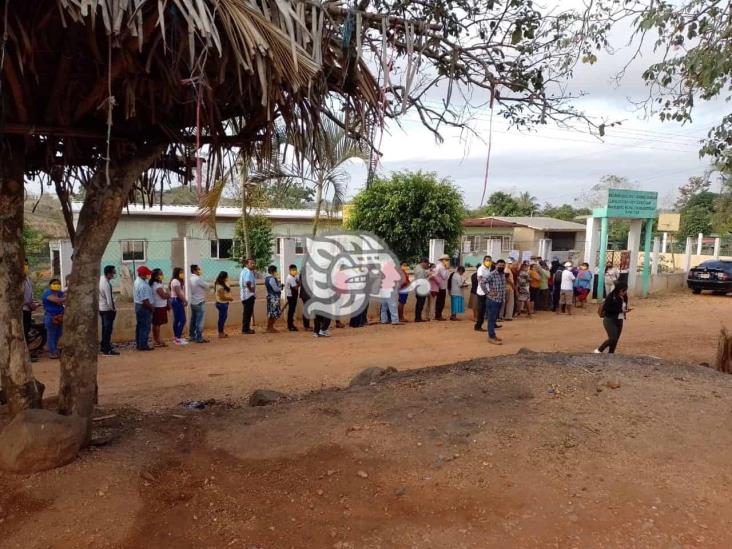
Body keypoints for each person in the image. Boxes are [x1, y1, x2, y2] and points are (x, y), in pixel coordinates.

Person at [595, 281, 630, 354]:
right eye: (624, 290)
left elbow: (623, 306)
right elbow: (607, 309)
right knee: (613, 338)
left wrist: (625, 310)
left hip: (620, 320)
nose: (625, 292)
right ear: (620, 290)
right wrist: (621, 310)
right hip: (610, 320)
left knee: (616, 339)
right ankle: (599, 350)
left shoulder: (624, 297)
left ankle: (611, 354)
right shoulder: (611, 296)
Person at [481, 260, 506, 345]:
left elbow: (502, 287)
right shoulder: (492, 274)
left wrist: (503, 299)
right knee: (491, 319)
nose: (501, 267)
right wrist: (488, 292)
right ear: (496, 265)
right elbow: (482, 282)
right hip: (492, 300)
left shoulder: (502, 274)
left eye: (503, 265)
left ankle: (493, 335)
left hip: (499, 300)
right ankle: (491, 337)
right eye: (500, 265)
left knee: (494, 319)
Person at [99, 265, 119, 355]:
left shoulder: (101, 279)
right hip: (107, 309)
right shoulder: (106, 284)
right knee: (108, 330)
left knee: (104, 328)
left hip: (101, 308)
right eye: (113, 273)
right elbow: (109, 300)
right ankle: (106, 349)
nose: (113, 275)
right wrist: (113, 309)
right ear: (109, 273)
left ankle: (104, 345)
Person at [42, 278, 65, 359]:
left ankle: (56, 351)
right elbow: (55, 300)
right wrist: (63, 299)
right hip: (50, 316)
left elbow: (63, 299)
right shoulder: (47, 293)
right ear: (50, 285)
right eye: (55, 283)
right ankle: (52, 352)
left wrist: (62, 300)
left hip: (60, 316)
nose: (57, 285)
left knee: (59, 334)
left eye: (58, 283)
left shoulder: (60, 293)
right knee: (51, 334)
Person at [133, 266, 155, 351]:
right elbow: (145, 300)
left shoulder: (137, 281)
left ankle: (139, 344)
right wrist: (151, 308)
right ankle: (143, 345)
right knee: (145, 326)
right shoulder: (142, 285)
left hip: (138, 305)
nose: (148, 275)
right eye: (146, 274)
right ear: (142, 274)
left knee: (140, 326)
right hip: (144, 307)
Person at [188, 265, 209, 343]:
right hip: (200, 302)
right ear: (194, 270)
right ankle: (199, 337)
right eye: (198, 269)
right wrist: (205, 285)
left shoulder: (191, 278)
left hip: (193, 302)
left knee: (193, 320)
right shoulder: (197, 279)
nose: (200, 270)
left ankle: (192, 335)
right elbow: (207, 286)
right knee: (199, 321)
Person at [150, 269, 170, 347]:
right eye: (160, 274)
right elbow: (164, 296)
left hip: (159, 306)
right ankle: (157, 340)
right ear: (155, 276)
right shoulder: (157, 285)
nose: (162, 275)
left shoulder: (156, 284)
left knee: (156, 324)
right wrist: (169, 294)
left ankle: (156, 339)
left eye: (162, 273)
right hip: (159, 307)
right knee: (157, 324)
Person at [169, 267, 188, 345]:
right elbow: (178, 293)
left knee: (177, 319)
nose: (182, 274)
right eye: (181, 272)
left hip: (175, 300)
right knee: (182, 320)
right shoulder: (176, 281)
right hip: (177, 301)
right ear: (177, 273)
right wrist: (184, 300)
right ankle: (178, 338)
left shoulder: (177, 281)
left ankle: (176, 338)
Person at [474, 255, 492, 331]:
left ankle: (481, 324)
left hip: (487, 291)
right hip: (482, 292)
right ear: (484, 261)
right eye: (487, 260)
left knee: (485, 309)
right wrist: (486, 292)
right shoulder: (481, 269)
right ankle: (478, 326)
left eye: (489, 260)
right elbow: (480, 280)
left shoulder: (488, 269)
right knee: (481, 310)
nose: (488, 262)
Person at [214, 271, 234, 338]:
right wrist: (229, 298)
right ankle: (220, 333)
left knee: (223, 317)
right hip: (221, 303)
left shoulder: (222, 283)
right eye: (226, 276)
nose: (227, 277)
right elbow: (222, 297)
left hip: (223, 303)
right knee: (222, 318)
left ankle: (221, 332)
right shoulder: (219, 285)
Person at [239, 258, 256, 334]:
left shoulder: (244, 271)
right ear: (246, 264)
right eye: (251, 263)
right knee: (248, 312)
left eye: (253, 263)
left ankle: (246, 328)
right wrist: (251, 289)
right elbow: (247, 282)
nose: (253, 265)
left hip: (245, 295)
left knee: (247, 312)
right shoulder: (248, 272)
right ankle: (246, 329)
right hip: (248, 295)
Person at [432, 254, 451, 321]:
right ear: (442, 260)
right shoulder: (441, 267)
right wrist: (447, 268)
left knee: (440, 302)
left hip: (441, 286)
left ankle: (438, 315)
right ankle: (438, 316)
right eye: (446, 260)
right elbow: (444, 276)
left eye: (448, 260)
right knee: (440, 302)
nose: (448, 261)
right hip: (441, 287)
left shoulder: (440, 266)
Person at [264, 265, 282, 333]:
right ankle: (270, 327)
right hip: (273, 298)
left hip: (270, 296)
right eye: (275, 271)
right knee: (273, 313)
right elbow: (276, 289)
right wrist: (281, 287)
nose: (276, 272)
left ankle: (269, 327)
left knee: (271, 313)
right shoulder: (272, 279)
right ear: (273, 271)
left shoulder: (267, 278)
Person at [413, 258, 430, 322]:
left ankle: (418, 317)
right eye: (427, 264)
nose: (427, 265)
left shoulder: (418, 267)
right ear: (423, 262)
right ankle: (418, 318)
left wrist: (427, 274)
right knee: (420, 304)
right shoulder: (421, 270)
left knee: (419, 304)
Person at [284, 264, 300, 332]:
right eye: (293, 270)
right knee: (291, 311)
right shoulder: (290, 278)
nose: (294, 271)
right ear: (290, 270)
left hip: (294, 296)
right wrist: (300, 283)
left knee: (292, 310)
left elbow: (297, 281)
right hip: (291, 296)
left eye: (295, 270)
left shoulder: (294, 277)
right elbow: (295, 288)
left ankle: (291, 324)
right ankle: (290, 325)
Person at [298, 265, 312, 331]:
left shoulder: (302, 274)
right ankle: (306, 326)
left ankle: (306, 325)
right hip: (306, 295)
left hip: (304, 294)